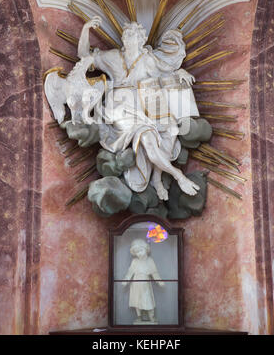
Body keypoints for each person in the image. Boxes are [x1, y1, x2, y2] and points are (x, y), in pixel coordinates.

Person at [76, 17, 201, 200]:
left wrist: (180, 72)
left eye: (134, 34)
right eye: (127, 33)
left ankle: (157, 177)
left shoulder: (148, 59)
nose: (129, 36)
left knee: (172, 130)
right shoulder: (112, 56)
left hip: (147, 107)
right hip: (120, 109)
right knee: (149, 138)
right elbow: (84, 56)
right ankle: (178, 176)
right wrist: (86, 29)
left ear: (141, 39)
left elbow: (166, 70)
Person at [122, 239, 164, 324]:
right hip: (136, 284)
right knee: (137, 301)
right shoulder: (134, 261)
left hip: (145, 284)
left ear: (146, 249)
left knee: (148, 300)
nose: (139, 253)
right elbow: (130, 272)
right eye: (137, 252)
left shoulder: (150, 260)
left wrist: (159, 281)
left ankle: (151, 317)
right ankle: (139, 317)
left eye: (141, 250)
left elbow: (154, 272)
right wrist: (126, 280)